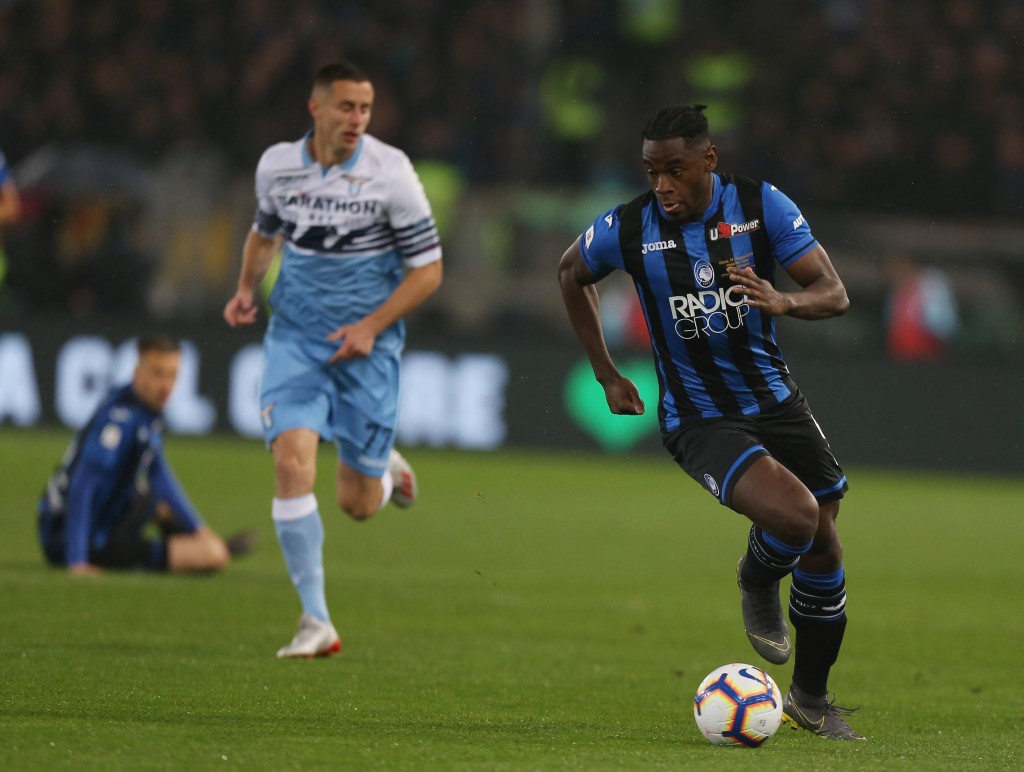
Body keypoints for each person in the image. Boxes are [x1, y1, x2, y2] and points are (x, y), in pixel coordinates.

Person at [558, 104, 864, 741]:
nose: (662, 185)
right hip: (699, 417)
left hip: (778, 403)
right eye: (651, 171)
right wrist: (608, 373)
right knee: (796, 516)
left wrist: (785, 300)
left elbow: (833, 293)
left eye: (674, 170)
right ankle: (756, 578)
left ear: (708, 161)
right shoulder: (630, 225)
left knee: (826, 542)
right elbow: (570, 273)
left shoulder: (762, 207)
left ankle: (810, 698)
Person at [223, 62, 443, 659]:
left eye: (365, 109)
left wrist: (371, 327)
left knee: (357, 505)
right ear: (315, 108)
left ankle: (386, 468)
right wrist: (246, 288)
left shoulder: (390, 172)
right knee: (293, 465)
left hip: (366, 349)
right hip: (294, 338)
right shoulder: (277, 166)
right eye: (346, 107)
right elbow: (265, 233)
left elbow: (429, 271)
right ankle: (315, 620)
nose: (357, 120)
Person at [38, 335, 253, 575]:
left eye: (173, 375)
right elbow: (83, 486)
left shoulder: (144, 410)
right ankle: (197, 551)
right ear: (137, 372)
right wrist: (77, 560)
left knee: (153, 500)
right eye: (158, 374)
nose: (166, 385)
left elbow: (158, 473)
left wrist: (200, 529)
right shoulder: (119, 420)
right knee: (212, 557)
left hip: (101, 517)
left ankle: (201, 544)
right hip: (74, 537)